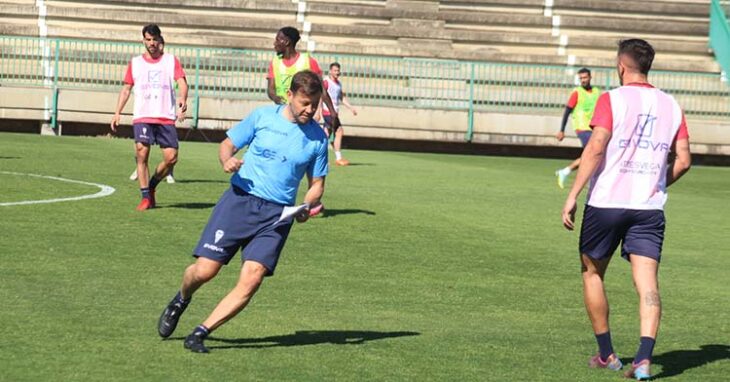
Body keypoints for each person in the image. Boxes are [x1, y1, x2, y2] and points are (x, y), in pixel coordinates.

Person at [157, 70, 329, 354]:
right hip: (240, 201)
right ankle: (181, 299)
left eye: (315, 104)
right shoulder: (262, 117)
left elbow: (317, 185)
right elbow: (227, 145)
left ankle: (200, 332)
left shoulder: (318, 139)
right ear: (290, 96)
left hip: (277, 216)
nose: (310, 110)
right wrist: (226, 160)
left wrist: (306, 205)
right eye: (304, 103)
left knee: (253, 278)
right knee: (204, 271)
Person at [561, 39, 691, 381]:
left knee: (592, 273)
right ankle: (644, 360)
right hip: (648, 208)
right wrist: (657, 184)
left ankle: (608, 355)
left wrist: (573, 193)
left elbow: (596, 147)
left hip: (606, 203)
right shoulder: (672, 106)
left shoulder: (611, 99)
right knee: (647, 283)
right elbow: (685, 162)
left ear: (621, 65)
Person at [111, 24, 187, 210]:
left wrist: (182, 99)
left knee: (171, 158)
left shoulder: (171, 61)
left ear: (160, 40)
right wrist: (117, 112)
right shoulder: (135, 63)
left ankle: (152, 185)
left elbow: (182, 82)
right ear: (143, 40)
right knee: (141, 153)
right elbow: (126, 89)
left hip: (165, 116)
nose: (151, 43)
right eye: (148, 39)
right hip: (143, 115)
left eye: (154, 39)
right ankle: (145, 197)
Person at [266, 26, 335, 216]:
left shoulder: (307, 61)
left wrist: (332, 111)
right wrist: (278, 99)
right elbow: (270, 89)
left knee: (307, 158)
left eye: (277, 39)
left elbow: (321, 88)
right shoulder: (275, 62)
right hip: (281, 117)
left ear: (286, 42)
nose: (274, 43)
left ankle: (312, 200)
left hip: (304, 119)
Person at [555, 68, 601, 189]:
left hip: (594, 128)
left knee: (590, 154)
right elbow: (567, 111)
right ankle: (591, 181)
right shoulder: (577, 92)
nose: (583, 80)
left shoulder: (596, 92)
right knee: (593, 153)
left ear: (590, 77)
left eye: (585, 77)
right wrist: (562, 130)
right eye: (581, 78)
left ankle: (565, 171)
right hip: (581, 127)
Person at [323, 62, 358, 166]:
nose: (337, 72)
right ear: (330, 71)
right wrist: (318, 111)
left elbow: (341, 97)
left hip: (334, 112)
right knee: (338, 131)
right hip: (328, 111)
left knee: (326, 133)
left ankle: (322, 158)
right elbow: (322, 95)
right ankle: (338, 158)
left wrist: (351, 108)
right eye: (335, 70)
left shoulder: (338, 84)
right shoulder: (326, 81)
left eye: (338, 70)